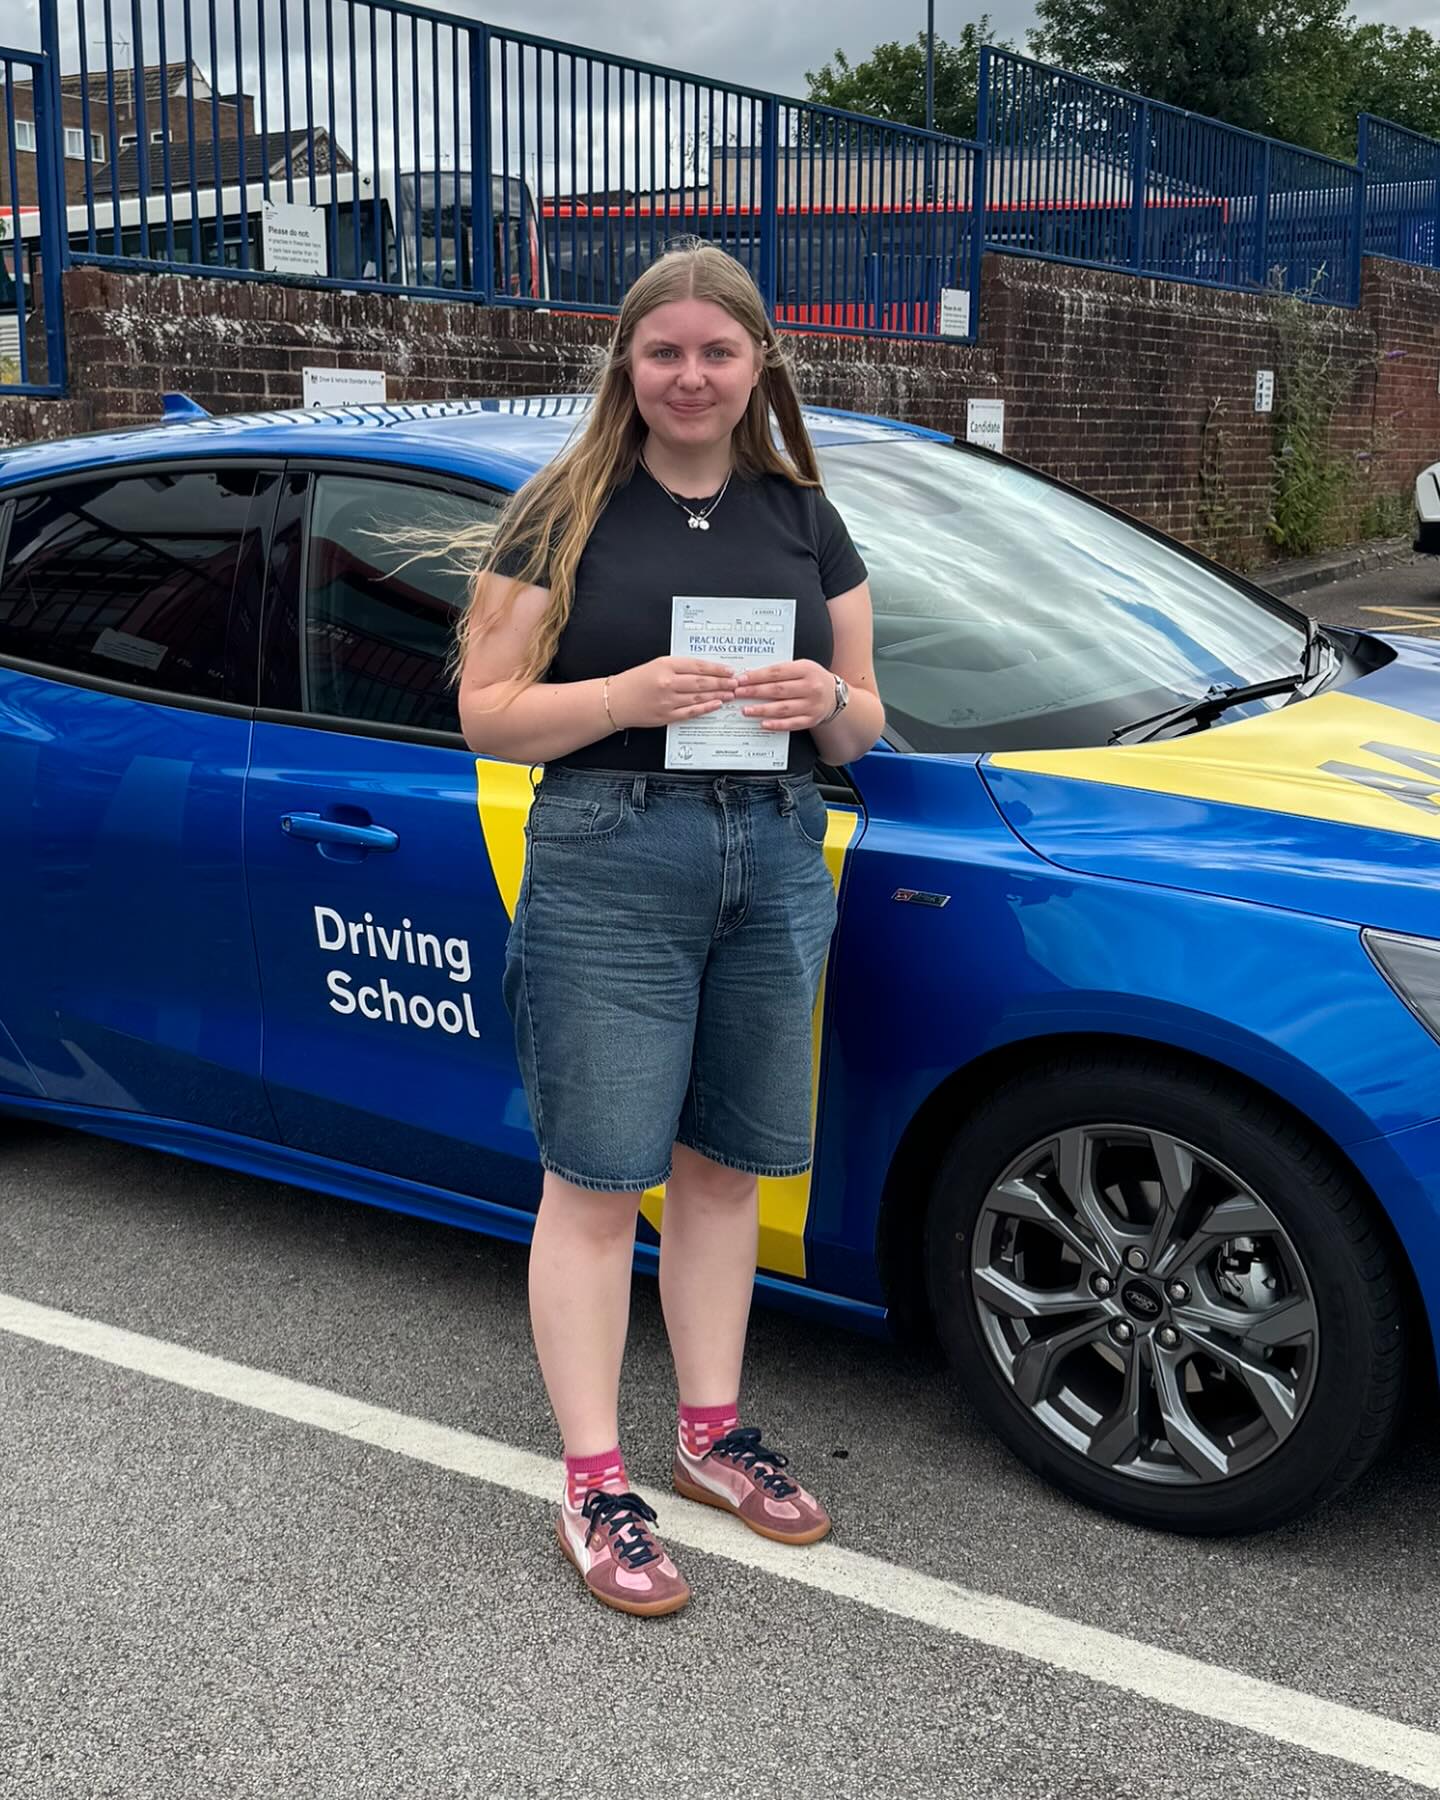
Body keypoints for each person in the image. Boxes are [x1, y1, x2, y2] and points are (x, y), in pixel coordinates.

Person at [456, 243, 884, 1617]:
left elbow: (866, 719)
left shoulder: (804, 516)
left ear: (759, 364)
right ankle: (594, 1482)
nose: (690, 376)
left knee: (724, 1169)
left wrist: (825, 701)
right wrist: (627, 694)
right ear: (627, 365)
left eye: (717, 352)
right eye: (664, 352)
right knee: (595, 1184)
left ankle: (709, 1436)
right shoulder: (564, 510)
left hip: (776, 845)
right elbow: (486, 712)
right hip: (610, 852)